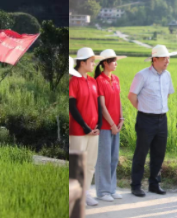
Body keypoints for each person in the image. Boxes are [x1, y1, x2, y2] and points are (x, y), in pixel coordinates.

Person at [128, 45, 176, 197]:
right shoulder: (142, 75)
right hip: (145, 119)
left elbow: (167, 95)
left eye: (168, 58)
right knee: (141, 153)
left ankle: (154, 184)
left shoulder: (167, 75)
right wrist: (144, 108)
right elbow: (132, 96)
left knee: (159, 153)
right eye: (164, 58)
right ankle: (135, 185)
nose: (167, 61)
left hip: (162, 119)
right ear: (154, 59)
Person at [69, 48, 102, 206]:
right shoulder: (73, 81)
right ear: (82, 62)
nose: (94, 64)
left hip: (93, 131)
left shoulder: (93, 81)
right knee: (77, 165)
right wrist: (85, 126)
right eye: (91, 61)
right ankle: (75, 195)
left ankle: (85, 192)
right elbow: (72, 107)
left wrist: (98, 124)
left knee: (90, 164)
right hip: (78, 131)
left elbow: (96, 105)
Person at [93, 49, 126, 202]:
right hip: (106, 127)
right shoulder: (99, 80)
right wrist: (112, 124)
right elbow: (102, 105)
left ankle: (111, 189)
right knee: (104, 159)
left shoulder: (117, 79)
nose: (116, 63)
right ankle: (102, 191)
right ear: (105, 63)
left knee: (113, 158)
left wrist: (121, 119)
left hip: (115, 125)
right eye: (113, 61)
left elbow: (118, 101)